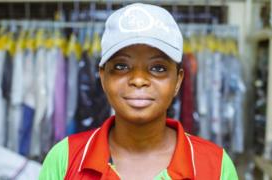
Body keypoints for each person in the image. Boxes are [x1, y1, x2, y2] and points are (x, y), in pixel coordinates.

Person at [39, 3, 238, 180]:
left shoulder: (215, 166)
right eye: (121, 66)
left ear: (178, 80)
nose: (139, 80)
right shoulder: (65, 158)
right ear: (103, 76)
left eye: (158, 68)